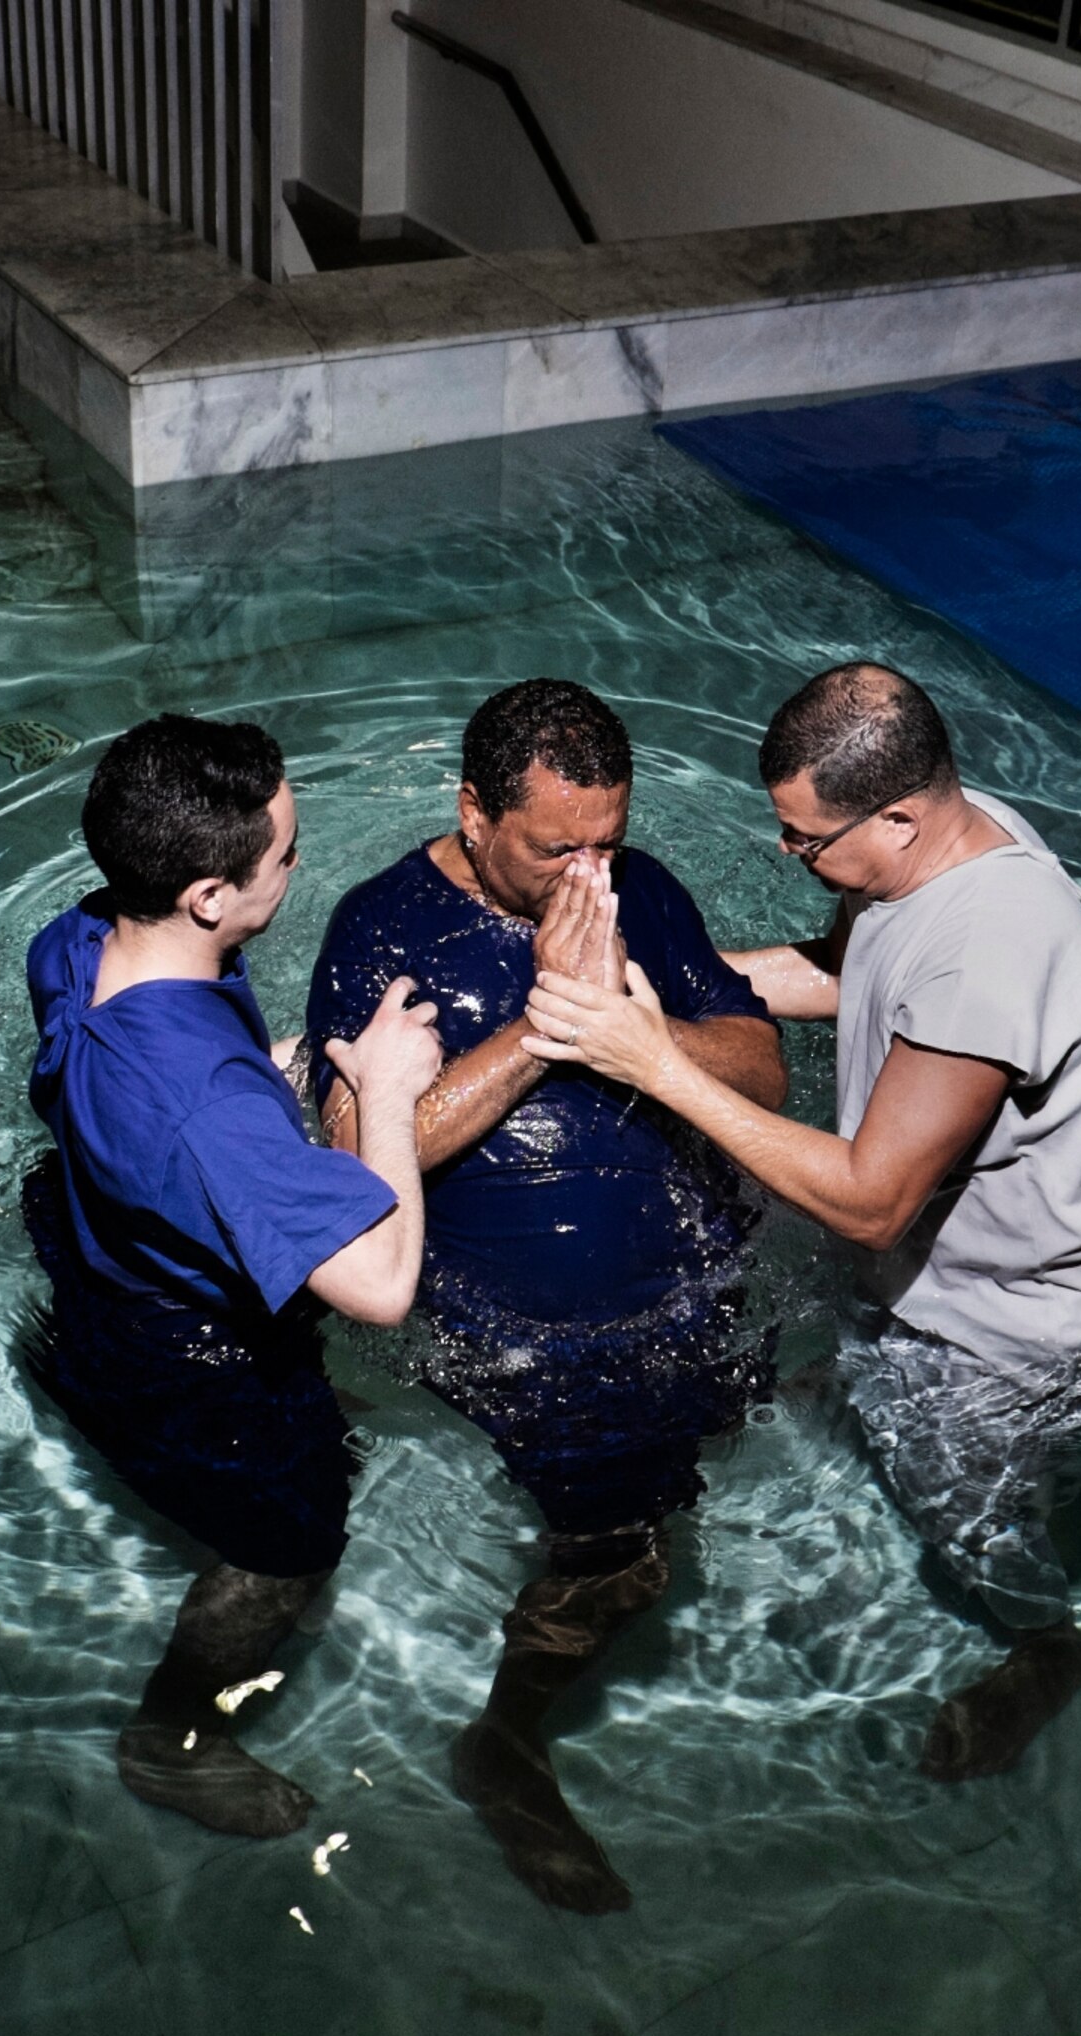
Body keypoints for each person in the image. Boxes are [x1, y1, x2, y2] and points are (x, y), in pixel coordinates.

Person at [524, 664, 1081, 1782]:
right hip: (948, 1266)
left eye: (804, 839)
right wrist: (663, 987)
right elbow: (843, 968)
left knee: (960, 1499)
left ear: (902, 813)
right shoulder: (939, 847)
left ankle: (1045, 1642)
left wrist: (657, 1061)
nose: (794, 856)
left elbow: (875, 1202)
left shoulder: (990, 947)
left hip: (1025, 1319)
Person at [305, 679, 787, 1916]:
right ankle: (504, 1742)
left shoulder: (644, 894)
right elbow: (356, 1148)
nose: (589, 872)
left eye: (606, 840)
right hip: (507, 1335)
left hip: (683, 1288)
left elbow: (762, 1066)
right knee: (620, 1557)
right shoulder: (383, 928)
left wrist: (641, 1018)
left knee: (675, 1485)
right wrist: (546, 1024)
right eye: (554, 846)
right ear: (474, 812)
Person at [22, 715, 445, 1839]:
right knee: (288, 1543)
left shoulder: (72, 939)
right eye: (286, 854)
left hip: (97, 1259)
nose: (298, 867)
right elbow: (383, 1282)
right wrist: (390, 1090)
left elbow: (126, 1089)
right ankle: (171, 1741)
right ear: (210, 893)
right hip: (190, 1359)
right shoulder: (209, 1112)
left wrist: (253, 1084)